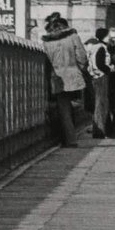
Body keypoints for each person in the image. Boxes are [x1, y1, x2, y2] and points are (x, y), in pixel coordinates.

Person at [41, 13, 87, 147]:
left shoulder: (46, 42)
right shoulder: (73, 37)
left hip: (57, 78)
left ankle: (68, 138)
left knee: (63, 108)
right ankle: (71, 139)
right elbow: (82, 57)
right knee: (72, 106)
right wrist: (81, 69)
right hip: (73, 76)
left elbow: (46, 62)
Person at [84, 34, 111, 139]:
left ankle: (97, 130)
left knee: (97, 104)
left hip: (93, 77)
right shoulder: (101, 48)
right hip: (101, 77)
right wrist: (109, 69)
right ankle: (100, 131)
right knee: (101, 105)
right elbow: (100, 64)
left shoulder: (91, 51)